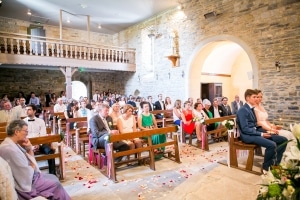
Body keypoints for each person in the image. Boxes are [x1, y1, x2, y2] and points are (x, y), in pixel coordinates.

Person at [0, 120, 71, 200]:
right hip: (26, 184)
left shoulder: (12, 144)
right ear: (17, 132)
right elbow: (25, 174)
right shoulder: (9, 149)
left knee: (53, 177)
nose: (27, 133)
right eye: (26, 131)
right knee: (55, 184)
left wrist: (29, 149)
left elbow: (27, 163)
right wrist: (33, 165)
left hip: (30, 177)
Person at [236, 89, 287, 173]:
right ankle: (265, 168)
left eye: (257, 97)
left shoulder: (251, 108)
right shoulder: (243, 110)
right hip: (248, 136)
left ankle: (275, 164)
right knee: (272, 145)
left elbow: (256, 124)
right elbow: (245, 129)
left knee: (283, 140)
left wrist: (269, 130)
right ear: (247, 98)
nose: (256, 99)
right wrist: (261, 134)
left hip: (255, 132)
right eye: (254, 97)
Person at [24, 104, 56, 175]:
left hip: (40, 143)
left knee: (50, 151)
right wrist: (30, 146)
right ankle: (30, 175)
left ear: (34, 111)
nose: (27, 111)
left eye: (29, 110)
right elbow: (23, 136)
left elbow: (43, 134)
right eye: (26, 110)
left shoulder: (40, 121)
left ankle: (53, 174)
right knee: (21, 154)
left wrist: (38, 144)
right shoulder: (22, 122)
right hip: (27, 144)